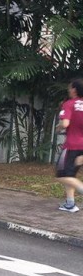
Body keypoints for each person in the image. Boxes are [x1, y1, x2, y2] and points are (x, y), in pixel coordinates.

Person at [55, 79, 83, 213]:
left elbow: (65, 123)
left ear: (74, 90)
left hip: (72, 146)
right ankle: (70, 204)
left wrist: (58, 127)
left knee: (61, 175)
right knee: (70, 175)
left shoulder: (69, 104)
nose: (68, 89)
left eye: (70, 87)